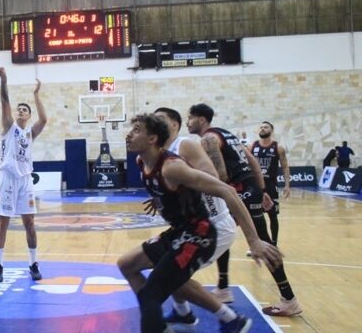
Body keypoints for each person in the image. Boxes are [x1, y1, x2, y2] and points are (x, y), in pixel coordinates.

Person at [118, 113, 282, 333]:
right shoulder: (142, 162)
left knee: (152, 292)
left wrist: (254, 241)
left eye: (136, 129)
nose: (129, 134)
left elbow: (227, 191)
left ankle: (199, 320)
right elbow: (172, 191)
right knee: (126, 264)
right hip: (180, 231)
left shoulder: (172, 166)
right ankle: (209, 318)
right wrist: (162, 199)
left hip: (200, 233)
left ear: (152, 139)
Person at [187, 103, 301, 316]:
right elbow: (253, 162)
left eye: (190, 118)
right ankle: (223, 289)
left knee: (257, 241)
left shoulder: (208, 139)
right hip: (249, 189)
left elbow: (219, 175)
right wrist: (262, 190)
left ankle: (288, 298)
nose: (187, 122)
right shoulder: (226, 134)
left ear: (201, 120)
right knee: (227, 231)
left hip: (239, 192)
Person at [153, 108, 251, 329]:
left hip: (214, 224)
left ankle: (231, 319)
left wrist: (183, 178)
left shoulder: (184, 145)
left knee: (170, 274)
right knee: (165, 267)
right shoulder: (160, 154)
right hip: (193, 226)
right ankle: (183, 313)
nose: (155, 123)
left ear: (175, 125)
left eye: (161, 119)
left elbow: (215, 178)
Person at [0, 68, 47, 284]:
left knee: (29, 223)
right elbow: (4, 101)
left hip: (25, 181)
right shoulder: (9, 126)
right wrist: (4, 80)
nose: (21, 111)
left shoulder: (29, 133)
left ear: (29, 115)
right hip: (8, 178)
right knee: (3, 222)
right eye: (20, 109)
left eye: (25, 110)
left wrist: (36, 95)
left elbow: (44, 119)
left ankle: (33, 264)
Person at [250, 121, 291, 247]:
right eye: (261, 127)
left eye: (265, 127)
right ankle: (257, 244)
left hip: (271, 186)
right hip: (256, 187)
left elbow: (284, 167)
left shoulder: (278, 147)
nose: (262, 129)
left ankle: (273, 244)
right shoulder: (252, 146)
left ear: (271, 131)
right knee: (255, 217)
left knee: (273, 216)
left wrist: (287, 185)